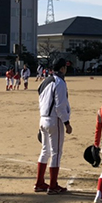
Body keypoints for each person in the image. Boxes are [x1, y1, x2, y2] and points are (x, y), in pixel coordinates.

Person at [34, 58, 72, 194]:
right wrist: (66, 122)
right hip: (54, 120)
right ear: (62, 68)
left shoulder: (45, 81)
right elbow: (60, 105)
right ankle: (53, 185)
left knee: (45, 151)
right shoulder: (59, 82)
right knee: (56, 152)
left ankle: (39, 182)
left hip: (43, 118)